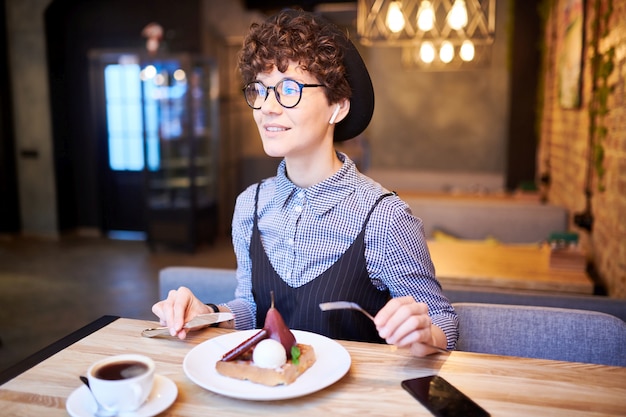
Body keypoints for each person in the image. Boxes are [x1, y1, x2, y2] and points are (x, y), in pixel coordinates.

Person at [152, 8, 458, 356]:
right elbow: (252, 309)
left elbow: (444, 321)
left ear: (337, 106)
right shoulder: (249, 205)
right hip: (270, 395)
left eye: (289, 89)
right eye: (260, 90)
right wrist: (207, 314)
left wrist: (424, 333)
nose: (267, 107)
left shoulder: (384, 218)